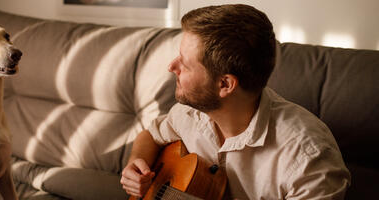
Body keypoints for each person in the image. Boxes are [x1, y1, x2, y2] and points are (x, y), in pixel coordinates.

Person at [120, 4, 351, 199]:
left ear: (225, 85)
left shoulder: (308, 160)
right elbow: (151, 135)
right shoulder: (191, 113)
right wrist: (136, 164)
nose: (172, 67)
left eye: (185, 64)